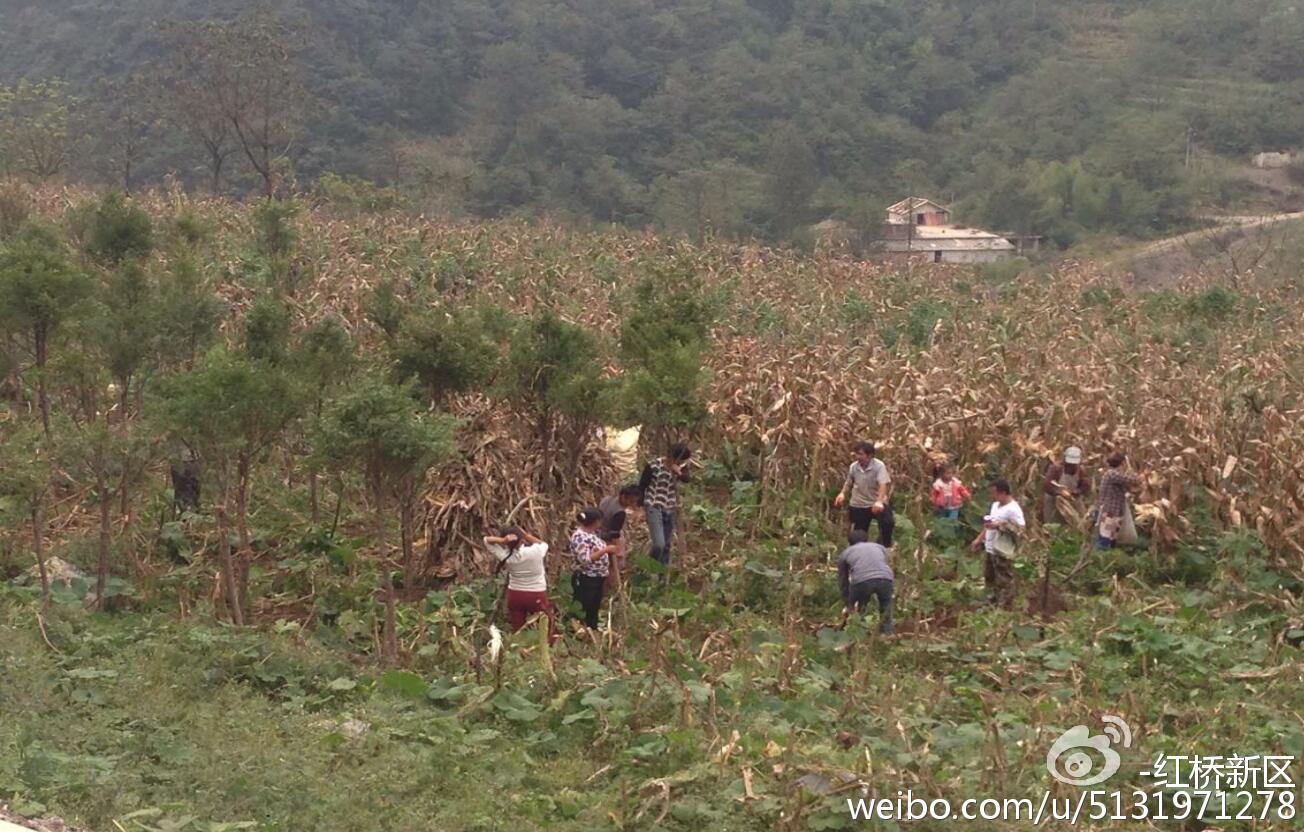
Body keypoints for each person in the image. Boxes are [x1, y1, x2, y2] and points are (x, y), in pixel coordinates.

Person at [483, 526, 555, 639]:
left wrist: (503, 540)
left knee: (517, 628)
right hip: (536, 594)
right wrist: (526, 535)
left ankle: (517, 645)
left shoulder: (506, 556)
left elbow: (486, 540)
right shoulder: (535, 551)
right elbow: (544, 544)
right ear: (522, 540)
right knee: (547, 624)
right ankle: (551, 643)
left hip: (515, 595)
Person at [970, 479, 1025, 607]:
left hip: (1003, 549)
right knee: (990, 576)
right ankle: (991, 602)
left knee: (1003, 578)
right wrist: (979, 539)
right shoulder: (995, 505)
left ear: (1003, 493)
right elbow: (988, 525)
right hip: (990, 547)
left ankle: (1004, 604)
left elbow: (1021, 529)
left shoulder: (1013, 509)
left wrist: (1001, 525)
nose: (992, 496)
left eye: (994, 493)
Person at [639, 443, 692, 569]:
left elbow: (686, 479)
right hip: (653, 505)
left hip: (670, 508)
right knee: (659, 544)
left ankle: (662, 572)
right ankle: (650, 566)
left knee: (667, 545)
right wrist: (639, 507)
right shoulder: (653, 466)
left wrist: (678, 472)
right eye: (679, 460)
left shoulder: (681, 468)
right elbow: (642, 486)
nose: (680, 463)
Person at [834, 441, 895, 547]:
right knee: (859, 533)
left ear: (870, 455)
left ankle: (884, 546)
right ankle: (859, 551)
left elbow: (883, 484)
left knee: (888, 522)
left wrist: (879, 501)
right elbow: (849, 482)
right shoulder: (854, 467)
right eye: (857, 454)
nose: (858, 457)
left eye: (861, 454)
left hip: (876, 502)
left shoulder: (879, 466)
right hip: (859, 503)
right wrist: (842, 493)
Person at [838, 530, 895, 635]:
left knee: (857, 608)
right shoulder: (879, 547)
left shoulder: (846, 553)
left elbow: (843, 579)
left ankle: (853, 631)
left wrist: (847, 599)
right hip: (886, 578)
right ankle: (887, 633)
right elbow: (885, 561)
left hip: (862, 580)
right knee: (886, 606)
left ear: (850, 542)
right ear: (867, 539)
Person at [570, 508, 619, 629]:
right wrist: (605, 550)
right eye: (600, 520)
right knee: (584, 606)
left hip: (598, 576)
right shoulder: (579, 537)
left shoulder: (592, 534)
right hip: (586, 577)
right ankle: (577, 630)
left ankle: (592, 629)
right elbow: (585, 559)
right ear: (595, 521)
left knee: (594, 606)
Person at [598, 484, 642, 589]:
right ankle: (610, 588)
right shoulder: (619, 512)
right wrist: (618, 550)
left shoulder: (606, 500)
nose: (632, 504)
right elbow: (614, 533)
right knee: (616, 565)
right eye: (630, 501)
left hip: (597, 535)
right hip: (607, 538)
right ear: (623, 496)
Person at [1096, 452, 1143, 549]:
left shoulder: (1114, 474)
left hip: (1115, 510)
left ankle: (1110, 551)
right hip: (1109, 510)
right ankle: (1101, 554)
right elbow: (1130, 480)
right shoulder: (1112, 474)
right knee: (1105, 535)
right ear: (1122, 463)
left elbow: (1129, 487)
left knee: (1112, 535)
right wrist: (1141, 477)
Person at [1042, 447, 1091, 525]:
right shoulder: (1056, 468)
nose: (1071, 465)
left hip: (1072, 499)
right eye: (1069, 463)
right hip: (1054, 500)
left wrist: (1076, 492)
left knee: (1078, 522)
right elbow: (1047, 485)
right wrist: (1060, 492)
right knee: (1053, 524)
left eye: (1074, 464)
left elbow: (1086, 486)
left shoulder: (1081, 470)